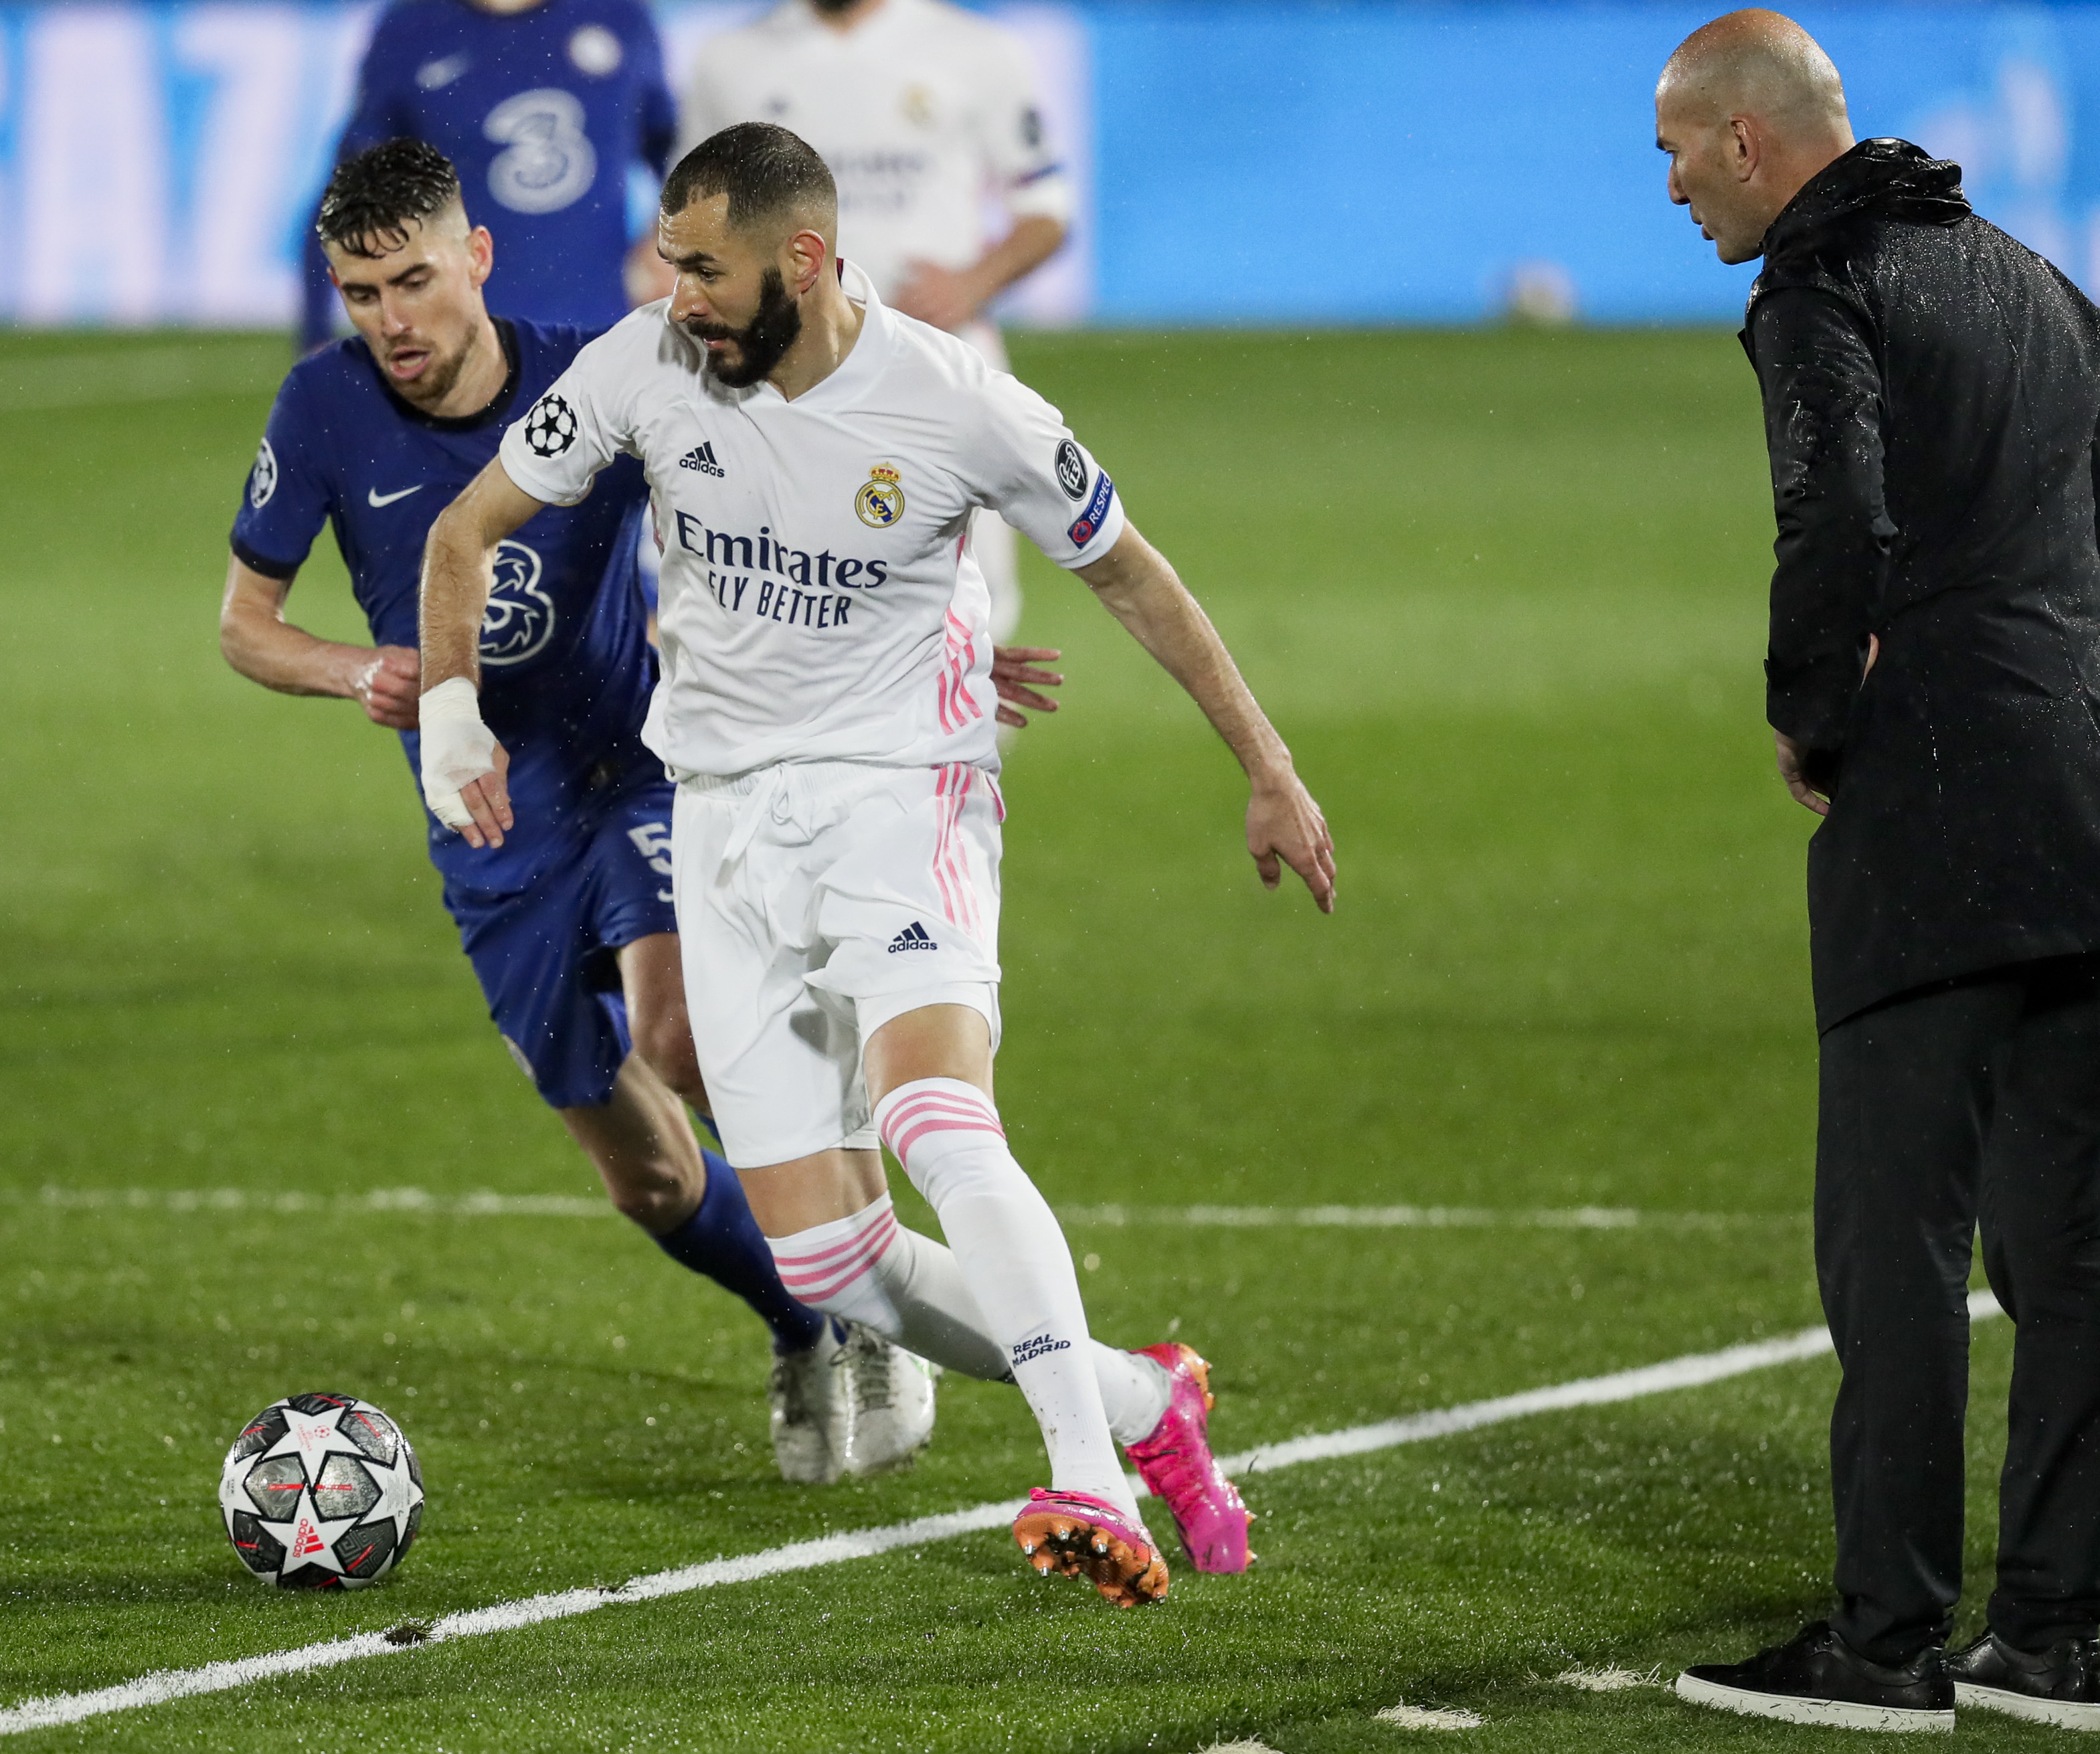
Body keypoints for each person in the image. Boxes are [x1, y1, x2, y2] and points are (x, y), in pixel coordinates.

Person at [412, 122, 1336, 1605]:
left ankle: (1084, 1474)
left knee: (936, 1117)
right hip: (716, 817)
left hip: (900, 796)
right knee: (834, 1265)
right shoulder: (646, 366)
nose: (675, 291)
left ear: (806, 261)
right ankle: (1149, 1404)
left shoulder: (955, 399)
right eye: (668, 261)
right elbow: (468, 528)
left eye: (703, 267)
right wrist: (452, 711)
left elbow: (1131, 571)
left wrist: (1267, 762)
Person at [228, 137, 947, 1486]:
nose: (392, 319)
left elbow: (780, 470)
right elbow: (242, 625)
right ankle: (801, 1312)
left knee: (682, 1036)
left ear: (477, 259)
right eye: (361, 291)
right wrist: (352, 668)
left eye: (414, 281)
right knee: (653, 1180)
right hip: (490, 830)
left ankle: (878, 1294)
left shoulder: (598, 370)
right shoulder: (318, 411)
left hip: (635, 769)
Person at [1656, 10, 2100, 1734]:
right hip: (2087, 796)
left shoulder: (1816, 291)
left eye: (1670, 150)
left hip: (1932, 807)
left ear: (1744, 141)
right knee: (2063, 1239)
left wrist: (1810, 713)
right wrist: (2087, 730)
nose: (1664, 187)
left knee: (1893, 1243)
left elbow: (1835, 514)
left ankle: (1885, 1644)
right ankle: (2051, 1639)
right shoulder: (2035, 277)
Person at [679, 0, 1075, 645]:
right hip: (781, 374)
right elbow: (694, 211)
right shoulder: (732, 61)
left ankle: (960, 743)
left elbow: (1045, 208)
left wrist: (971, 283)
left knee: (975, 594)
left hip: (940, 362)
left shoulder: (977, 51)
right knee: (780, 586)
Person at [299, 0, 676, 349]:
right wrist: (316, 339)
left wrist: (669, 240)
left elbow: (676, 155)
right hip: (463, 354)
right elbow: (346, 196)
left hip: (603, 341)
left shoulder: (620, 16)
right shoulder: (411, 29)